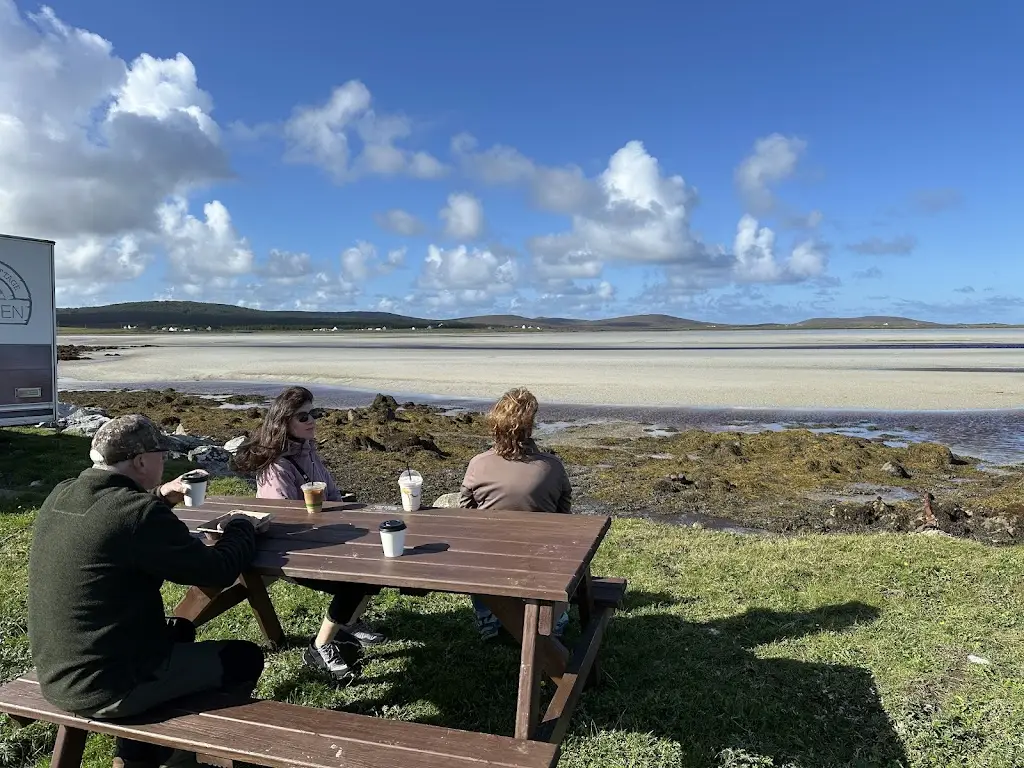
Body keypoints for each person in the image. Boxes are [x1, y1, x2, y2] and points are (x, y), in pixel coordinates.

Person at [27, 415, 265, 768]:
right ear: (140, 461)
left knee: (180, 631)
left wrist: (161, 495)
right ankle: (181, 755)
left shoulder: (62, 493)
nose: (165, 462)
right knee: (244, 658)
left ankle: (135, 755)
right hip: (107, 687)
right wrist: (242, 527)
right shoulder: (138, 514)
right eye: (161, 455)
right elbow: (217, 569)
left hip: (58, 674)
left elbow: (116, 518)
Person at [233, 386, 382, 684]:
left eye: (314, 413)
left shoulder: (308, 451)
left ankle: (348, 623)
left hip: (321, 538)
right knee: (356, 580)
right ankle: (320, 647)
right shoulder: (277, 468)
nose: (312, 420)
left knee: (378, 562)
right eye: (303, 417)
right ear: (284, 422)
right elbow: (284, 522)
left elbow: (333, 496)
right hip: (289, 552)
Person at [458, 387, 572, 640]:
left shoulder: (478, 464)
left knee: (480, 551)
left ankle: (488, 617)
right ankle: (553, 619)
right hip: (541, 560)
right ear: (530, 427)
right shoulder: (552, 467)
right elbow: (564, 516)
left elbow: (466, 512)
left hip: (490, 558)